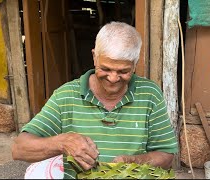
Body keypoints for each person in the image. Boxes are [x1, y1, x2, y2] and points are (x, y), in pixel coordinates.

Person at [12, 21, 178, 179]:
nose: (113, 78)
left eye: (123, 71)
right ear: (94, 57)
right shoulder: (66, 96)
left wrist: (132, 163)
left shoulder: (150, 94)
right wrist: (62, 142)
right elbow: (19, 149)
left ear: (135, 64)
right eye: (105, 68)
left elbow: (166, 155)